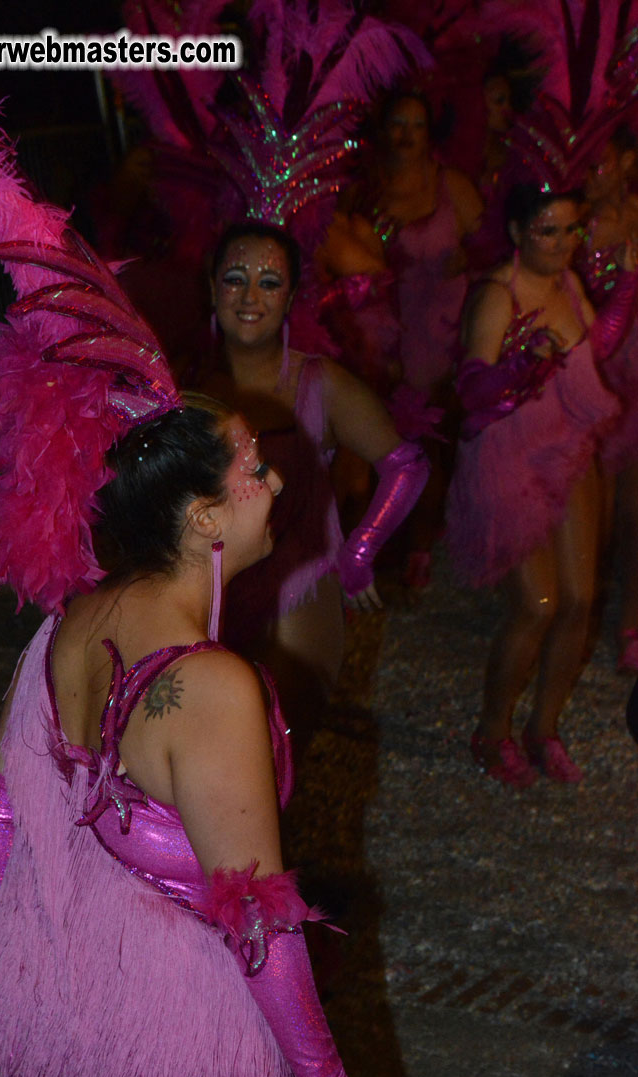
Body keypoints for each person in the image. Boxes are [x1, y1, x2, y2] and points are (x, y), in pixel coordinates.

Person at [0, 397, 368, 1077]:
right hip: (166, 1036)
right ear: (203, 518)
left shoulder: (68, 624)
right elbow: (257, 917)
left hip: (39, 991)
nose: (278, 480)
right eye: (254, 471)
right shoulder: (213, 686)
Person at [197, 221, 428, 753]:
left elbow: (407, 465)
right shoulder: (182, 386)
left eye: (270, 282)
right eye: (235, 278)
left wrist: (361, 548)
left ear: (292, 298)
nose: (251, 296)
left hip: (296, 593)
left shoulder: (319, 383)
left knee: (274, 757)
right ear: (212, 289)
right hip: (206, 597)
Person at [446, 183, 633, 785]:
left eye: (571, 231)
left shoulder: (567, 284)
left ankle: (543, 728)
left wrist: (629, 283)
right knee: (537, 605)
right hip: (510, 461)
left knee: (579, 599)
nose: (562, 244)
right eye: (548, 231)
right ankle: (491, 729)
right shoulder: (498, 297)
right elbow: (472, 396)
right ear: (518, 233)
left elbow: (592, 350)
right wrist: (521, 369)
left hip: (567, 448)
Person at [319, 91, 483, 586]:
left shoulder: (449, 185)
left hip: (437, 327)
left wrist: (466, 262)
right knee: (370, 440)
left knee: (425, 436)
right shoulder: (364, 192)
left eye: (417, 123)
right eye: (399, 123)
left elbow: (491, 242)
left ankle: (419, 549)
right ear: (383, 129)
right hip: (377, 330)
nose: (408, 134)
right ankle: (363, 550)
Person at [580, 127, 638, 672]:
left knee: (635, 512)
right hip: (595, 381)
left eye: (599, 162)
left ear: (625, 162)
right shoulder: (572, 225)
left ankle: (630, 622)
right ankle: (583, 612)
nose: (590, 172)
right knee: (595, 508)